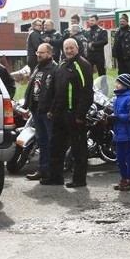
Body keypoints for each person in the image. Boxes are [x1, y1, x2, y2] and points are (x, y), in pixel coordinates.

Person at [41, 38, 93, 188]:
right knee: (55, 146)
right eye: (66, 48)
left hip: (74, 115)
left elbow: (87, 92)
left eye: (71, 48)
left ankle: (79, 179)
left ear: (77, 48)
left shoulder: (83, 65)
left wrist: (80, 115)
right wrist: (51, 110)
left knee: (78, 148)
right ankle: (55, 177)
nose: (69, 51)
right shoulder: (62, 65)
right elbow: (56, 91)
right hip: (59, 114)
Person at [23, 42, 57, 181]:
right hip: (36, 110)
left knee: (51, 142)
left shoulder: (54, 68)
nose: (38, 54)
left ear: (49, 53)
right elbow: (31, 88)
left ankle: (52, 172)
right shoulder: (38, 67)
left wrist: (52, 110)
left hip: (48, 112)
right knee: (41, 141)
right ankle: (42, 170)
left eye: (41, 52)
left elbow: (57, 92)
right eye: (37, 52)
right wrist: (27, 106)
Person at [110, 73, 130, 192]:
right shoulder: (117, 98)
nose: (116, 84)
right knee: (119, 158)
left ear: (125, 85)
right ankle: (124, 177)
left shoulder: (129, 98)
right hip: (119, 134)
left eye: (119, 83)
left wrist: (117, 117)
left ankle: (129, 179)